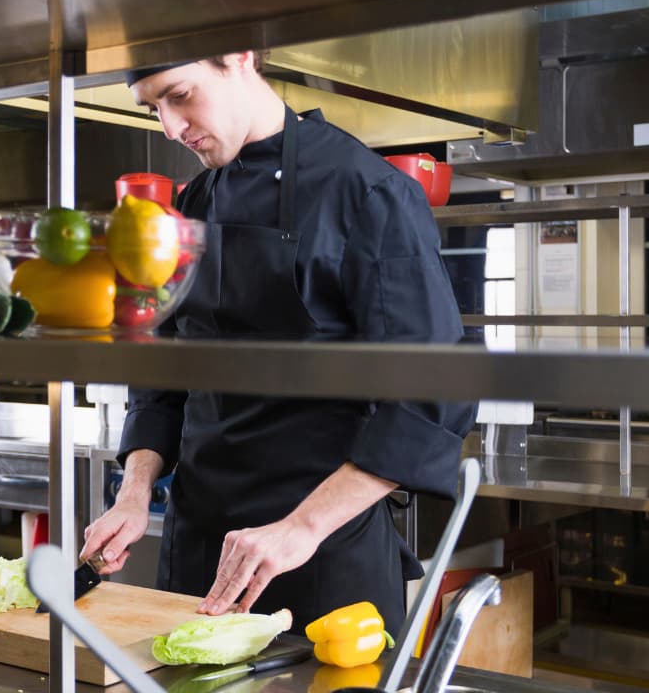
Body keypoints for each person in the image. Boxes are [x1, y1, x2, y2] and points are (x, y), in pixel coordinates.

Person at [79, 51, 476, 633]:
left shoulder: (366, 192)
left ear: (240, 58)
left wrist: (302, 529)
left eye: (180, 95)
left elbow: (432, 396)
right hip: (201, 546)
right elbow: (162, 372)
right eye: (154, 108)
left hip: (320, 554)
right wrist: (135, 493)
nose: (171, 127)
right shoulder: (194, 203)